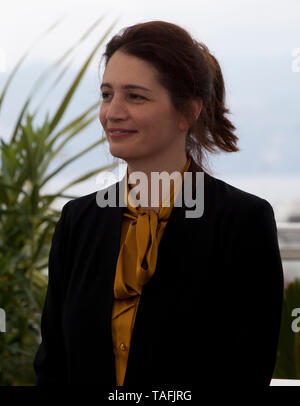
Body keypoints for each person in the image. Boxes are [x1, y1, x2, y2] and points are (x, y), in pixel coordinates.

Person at [33, 20, 284, 388]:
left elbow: (247, 371)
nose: (112, 112)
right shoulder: (78, 221)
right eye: (106, 94)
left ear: (187, 112)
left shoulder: (242, 221)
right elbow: (52, 365)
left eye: (135, 96)